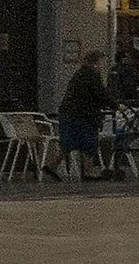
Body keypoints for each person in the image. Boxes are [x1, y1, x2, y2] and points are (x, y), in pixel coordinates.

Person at [52, 51, 115, 182]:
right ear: (96, 62)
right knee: (89, 142)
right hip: (83, 114)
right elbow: (100, 94)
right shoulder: (92, 75)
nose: (104, 65)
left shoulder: (80, 73)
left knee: (68, 142)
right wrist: (116, 105)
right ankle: (88, 171)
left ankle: (52, 166)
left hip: (69, 113)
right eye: (102, 62)